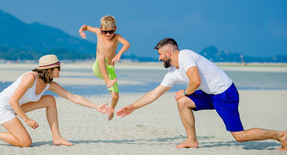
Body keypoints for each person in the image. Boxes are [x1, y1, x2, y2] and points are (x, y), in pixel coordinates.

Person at [116, 38, 287, 151]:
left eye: (160, 54)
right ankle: (192, 140)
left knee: (239, 136)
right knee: (183, 102)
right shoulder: (174, 72)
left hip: (225, 93)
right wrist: (133, 106)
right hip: (210, 94)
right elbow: (154, 93)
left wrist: (183, 91)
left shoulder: (185, 55)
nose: (160, 58)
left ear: (168, 52)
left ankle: (281, 135)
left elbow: (195, 81)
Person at [0, 55, 113, 147]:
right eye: (59, 68)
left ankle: (56, 138)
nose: (60, 70)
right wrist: (27, 120)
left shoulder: (49, 84)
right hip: (3, 107)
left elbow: (72, 97)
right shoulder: (30, 78)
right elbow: (12, 101)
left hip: (18, 106)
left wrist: (96, 106)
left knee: (50, 100)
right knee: (25, 142)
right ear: (50, 69)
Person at [79, 15, 130, 120]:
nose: (107, 34)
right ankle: (107, 81)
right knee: (101, 56)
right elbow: (85, 26)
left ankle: (111, 110)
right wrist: (81, 30)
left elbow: (127, 44)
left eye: (110, 32)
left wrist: (119, 53)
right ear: (101, 29)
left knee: (115, 97)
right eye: (104, 32)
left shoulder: (116, 37)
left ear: (115, 29)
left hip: (109, 69)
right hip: (98, 67)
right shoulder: (98, 32)